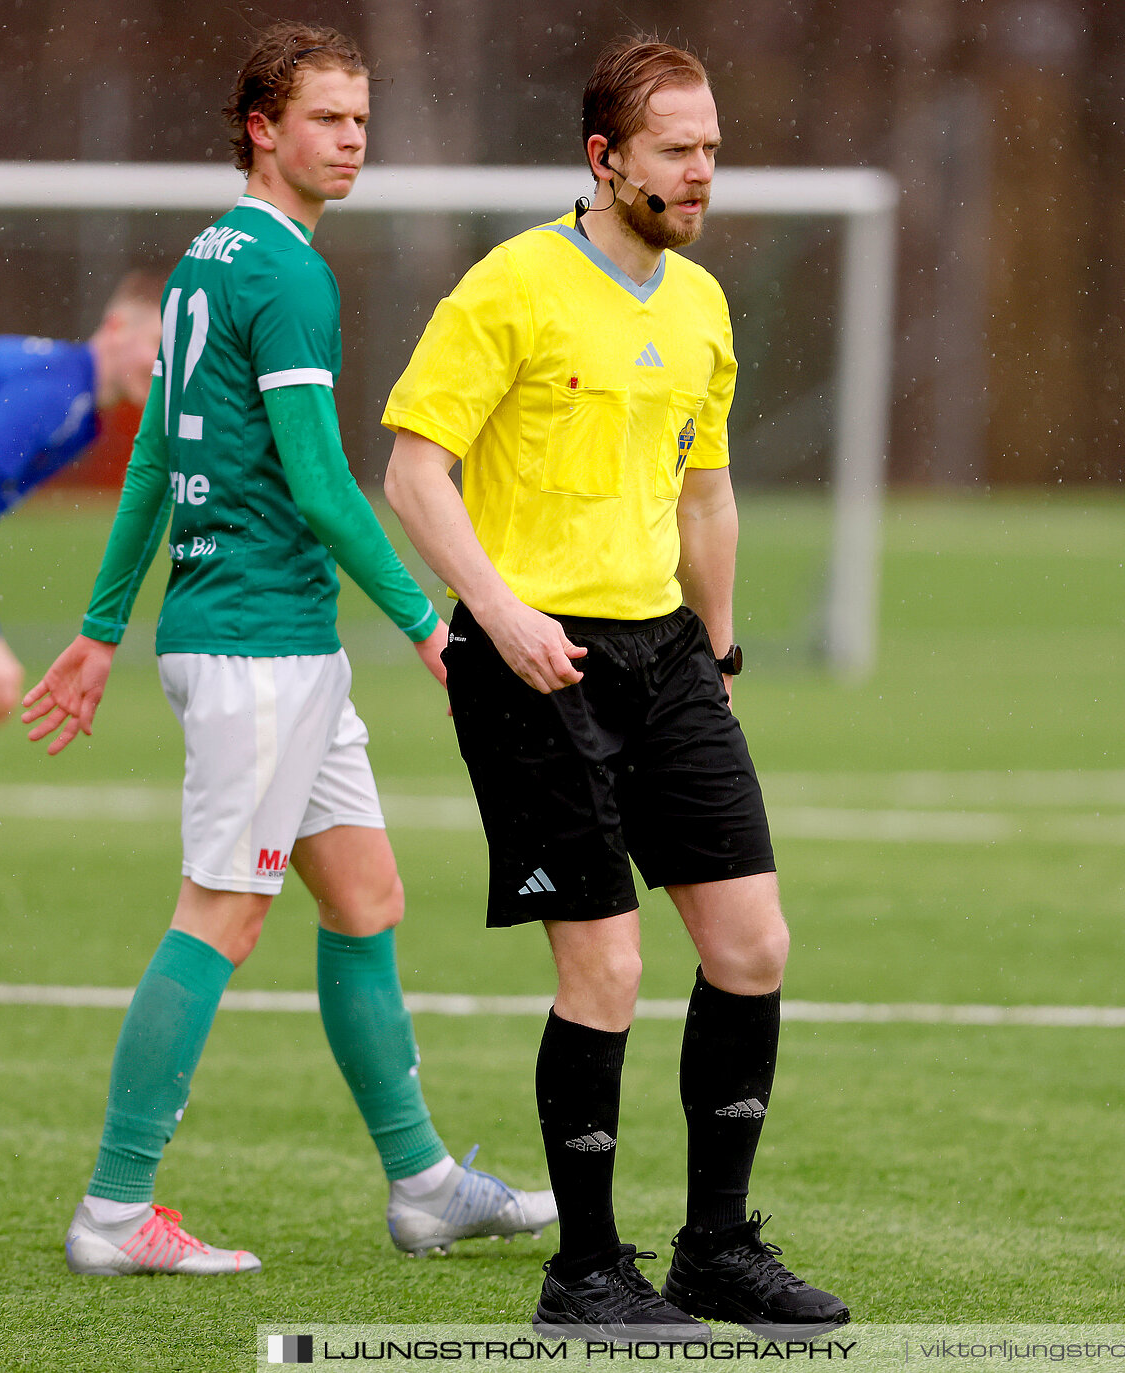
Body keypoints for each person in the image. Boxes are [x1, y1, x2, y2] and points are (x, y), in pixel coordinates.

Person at [20, 21, 555, 1277]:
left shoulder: (202, 260)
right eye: (327, 118)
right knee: (220, 915)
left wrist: (101, 631)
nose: (353, 138)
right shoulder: (283, 272)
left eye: (363, 118)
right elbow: (322, 482)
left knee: (366, 896)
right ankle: (113, 1209)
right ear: (263, 127)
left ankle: (424, 1184)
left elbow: (154, 453)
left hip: (277, 644)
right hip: (257, 647)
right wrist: (431, 620)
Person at [381, 37, 849, 1337]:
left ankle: (715, 1251)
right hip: (533, 662)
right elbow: (415, 470)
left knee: (752, 944)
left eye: (711, 148)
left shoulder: (700, 304)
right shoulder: (510, 286)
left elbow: (708, 489)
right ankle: (585, 1274)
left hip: (669, 656)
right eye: (677, 151)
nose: (703, 172)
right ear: (605, 159)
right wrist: (501, 610)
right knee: (606, 969)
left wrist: (725, 641)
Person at [0, 273, 165, 766]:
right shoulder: (59, 389)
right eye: (156, 343)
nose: (162, 366)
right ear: (115, 326)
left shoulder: (80, 411)